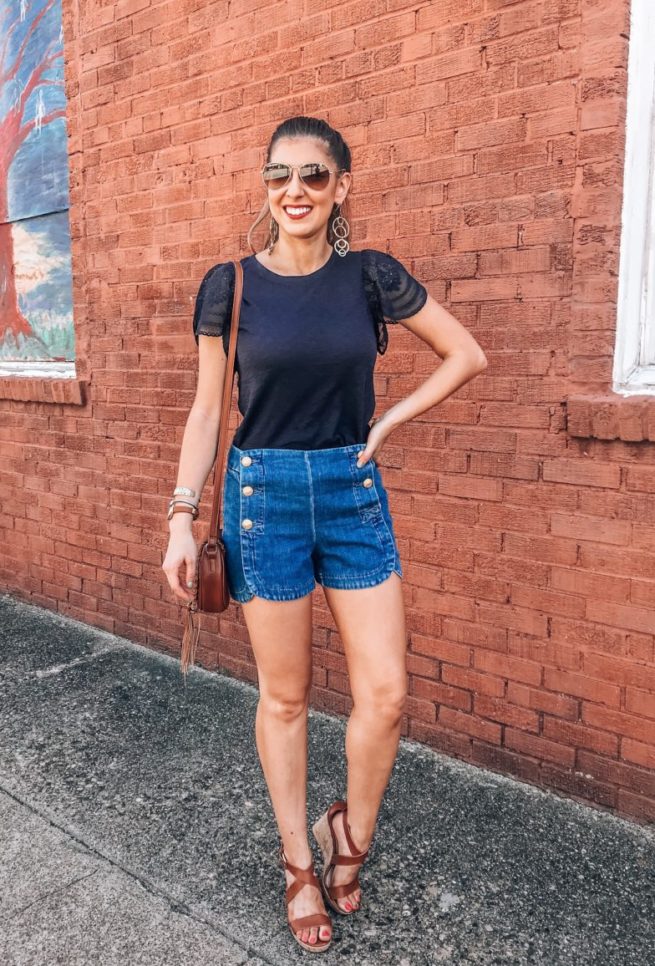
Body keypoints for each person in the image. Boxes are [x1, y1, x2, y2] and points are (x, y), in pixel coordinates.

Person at [162, 115, 487, 954]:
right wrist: (180, 513)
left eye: (313, 175)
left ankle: (352, 836)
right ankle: (298, 863)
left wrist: (389, 425)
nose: (294, 191)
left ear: (341, 186)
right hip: (262, 493)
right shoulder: (228, 286)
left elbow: (464, 354)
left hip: (350, 489)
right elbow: (207, 411)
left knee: (384, 695)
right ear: (264, 186)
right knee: (285, 697)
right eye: (279, 175)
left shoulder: (369, 278)